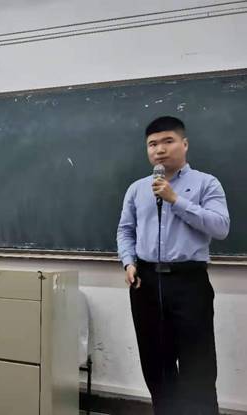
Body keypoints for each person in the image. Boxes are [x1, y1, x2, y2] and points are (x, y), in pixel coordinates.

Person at [116, 116, 230, 415]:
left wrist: (175, 200)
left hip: (188, 282)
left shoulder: (206, 183)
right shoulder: (137, 189)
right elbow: (126, 230)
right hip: (146, 282)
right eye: (152, 144)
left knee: (198, 365)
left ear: (184, 144)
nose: (160, 150)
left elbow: (220, 227)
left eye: (168, 141)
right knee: (156, 363)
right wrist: (128, 262)